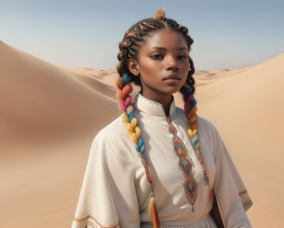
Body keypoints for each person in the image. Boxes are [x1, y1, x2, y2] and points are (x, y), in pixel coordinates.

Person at [72, 9, 253, 228]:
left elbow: (232, 210)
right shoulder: (112, 140)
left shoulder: (206, 130)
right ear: (134, 66)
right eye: (158, 56)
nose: (172, 64)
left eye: (181, 56)